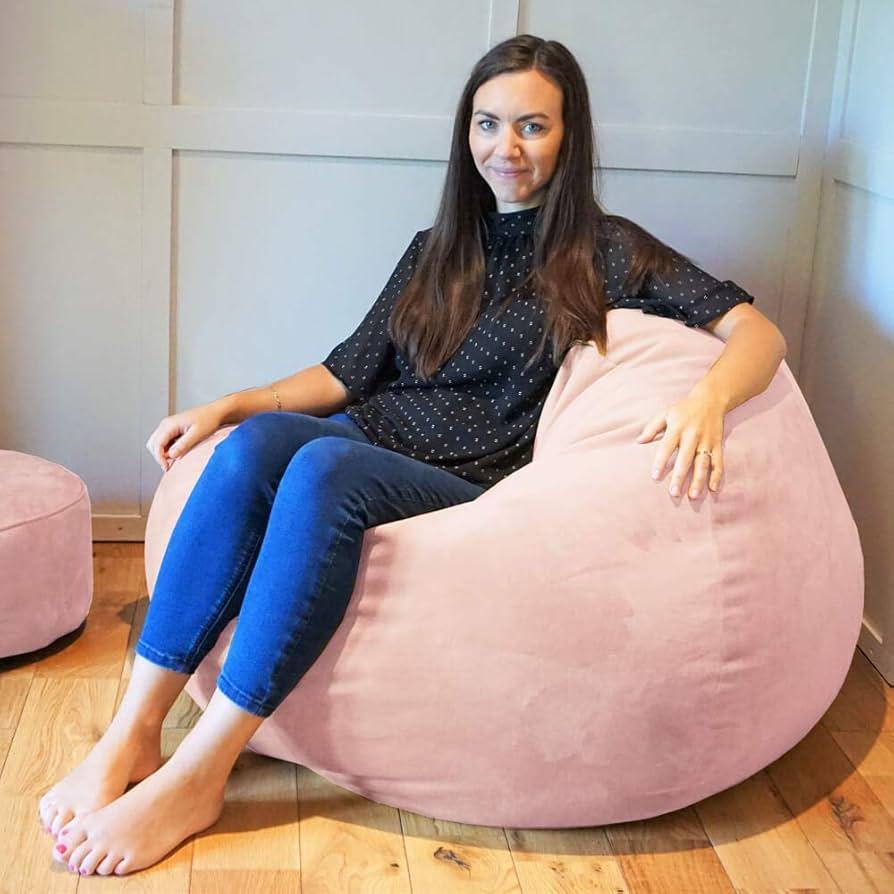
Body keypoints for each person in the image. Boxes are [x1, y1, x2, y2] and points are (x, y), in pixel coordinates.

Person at [37, 34, 786, 877]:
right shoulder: (437, 245)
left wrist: (708, 401)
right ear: (466, 132)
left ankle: (201, 772)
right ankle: (135, 733)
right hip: (369, 440)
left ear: (569, 138)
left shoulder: (610, 249)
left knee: (323, 469)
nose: (507, 149)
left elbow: (755, 330)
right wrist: (231, 403)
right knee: (251, 450)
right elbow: (348, 370)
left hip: (464, 479)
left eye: (533, 127)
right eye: (488, 124)